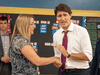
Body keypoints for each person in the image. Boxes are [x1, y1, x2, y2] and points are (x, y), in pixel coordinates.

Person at [53, 3, 92, 75]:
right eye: (59, 16)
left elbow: (88, 56)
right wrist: (56, 62)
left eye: (65, 15)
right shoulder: (56, 35)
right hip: (62, 72)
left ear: (70, 15)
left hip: (80, 72)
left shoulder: (82, 31)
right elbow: (57, 56)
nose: (62, 18)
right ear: (56, 18)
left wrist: (68, 55)